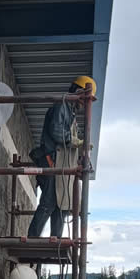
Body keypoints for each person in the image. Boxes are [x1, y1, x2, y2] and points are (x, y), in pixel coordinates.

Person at [27, 76, 96, 238]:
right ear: (79, 92)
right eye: (84, 100)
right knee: (49, 201)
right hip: (51, 160)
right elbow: (56, 132)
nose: (84, 104)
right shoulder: (62, 106)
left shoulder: (70, 112)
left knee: (62, 205)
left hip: (60, 163)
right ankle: (32, 239)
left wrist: (80, 151)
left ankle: (55, 240)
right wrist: (75, 141)